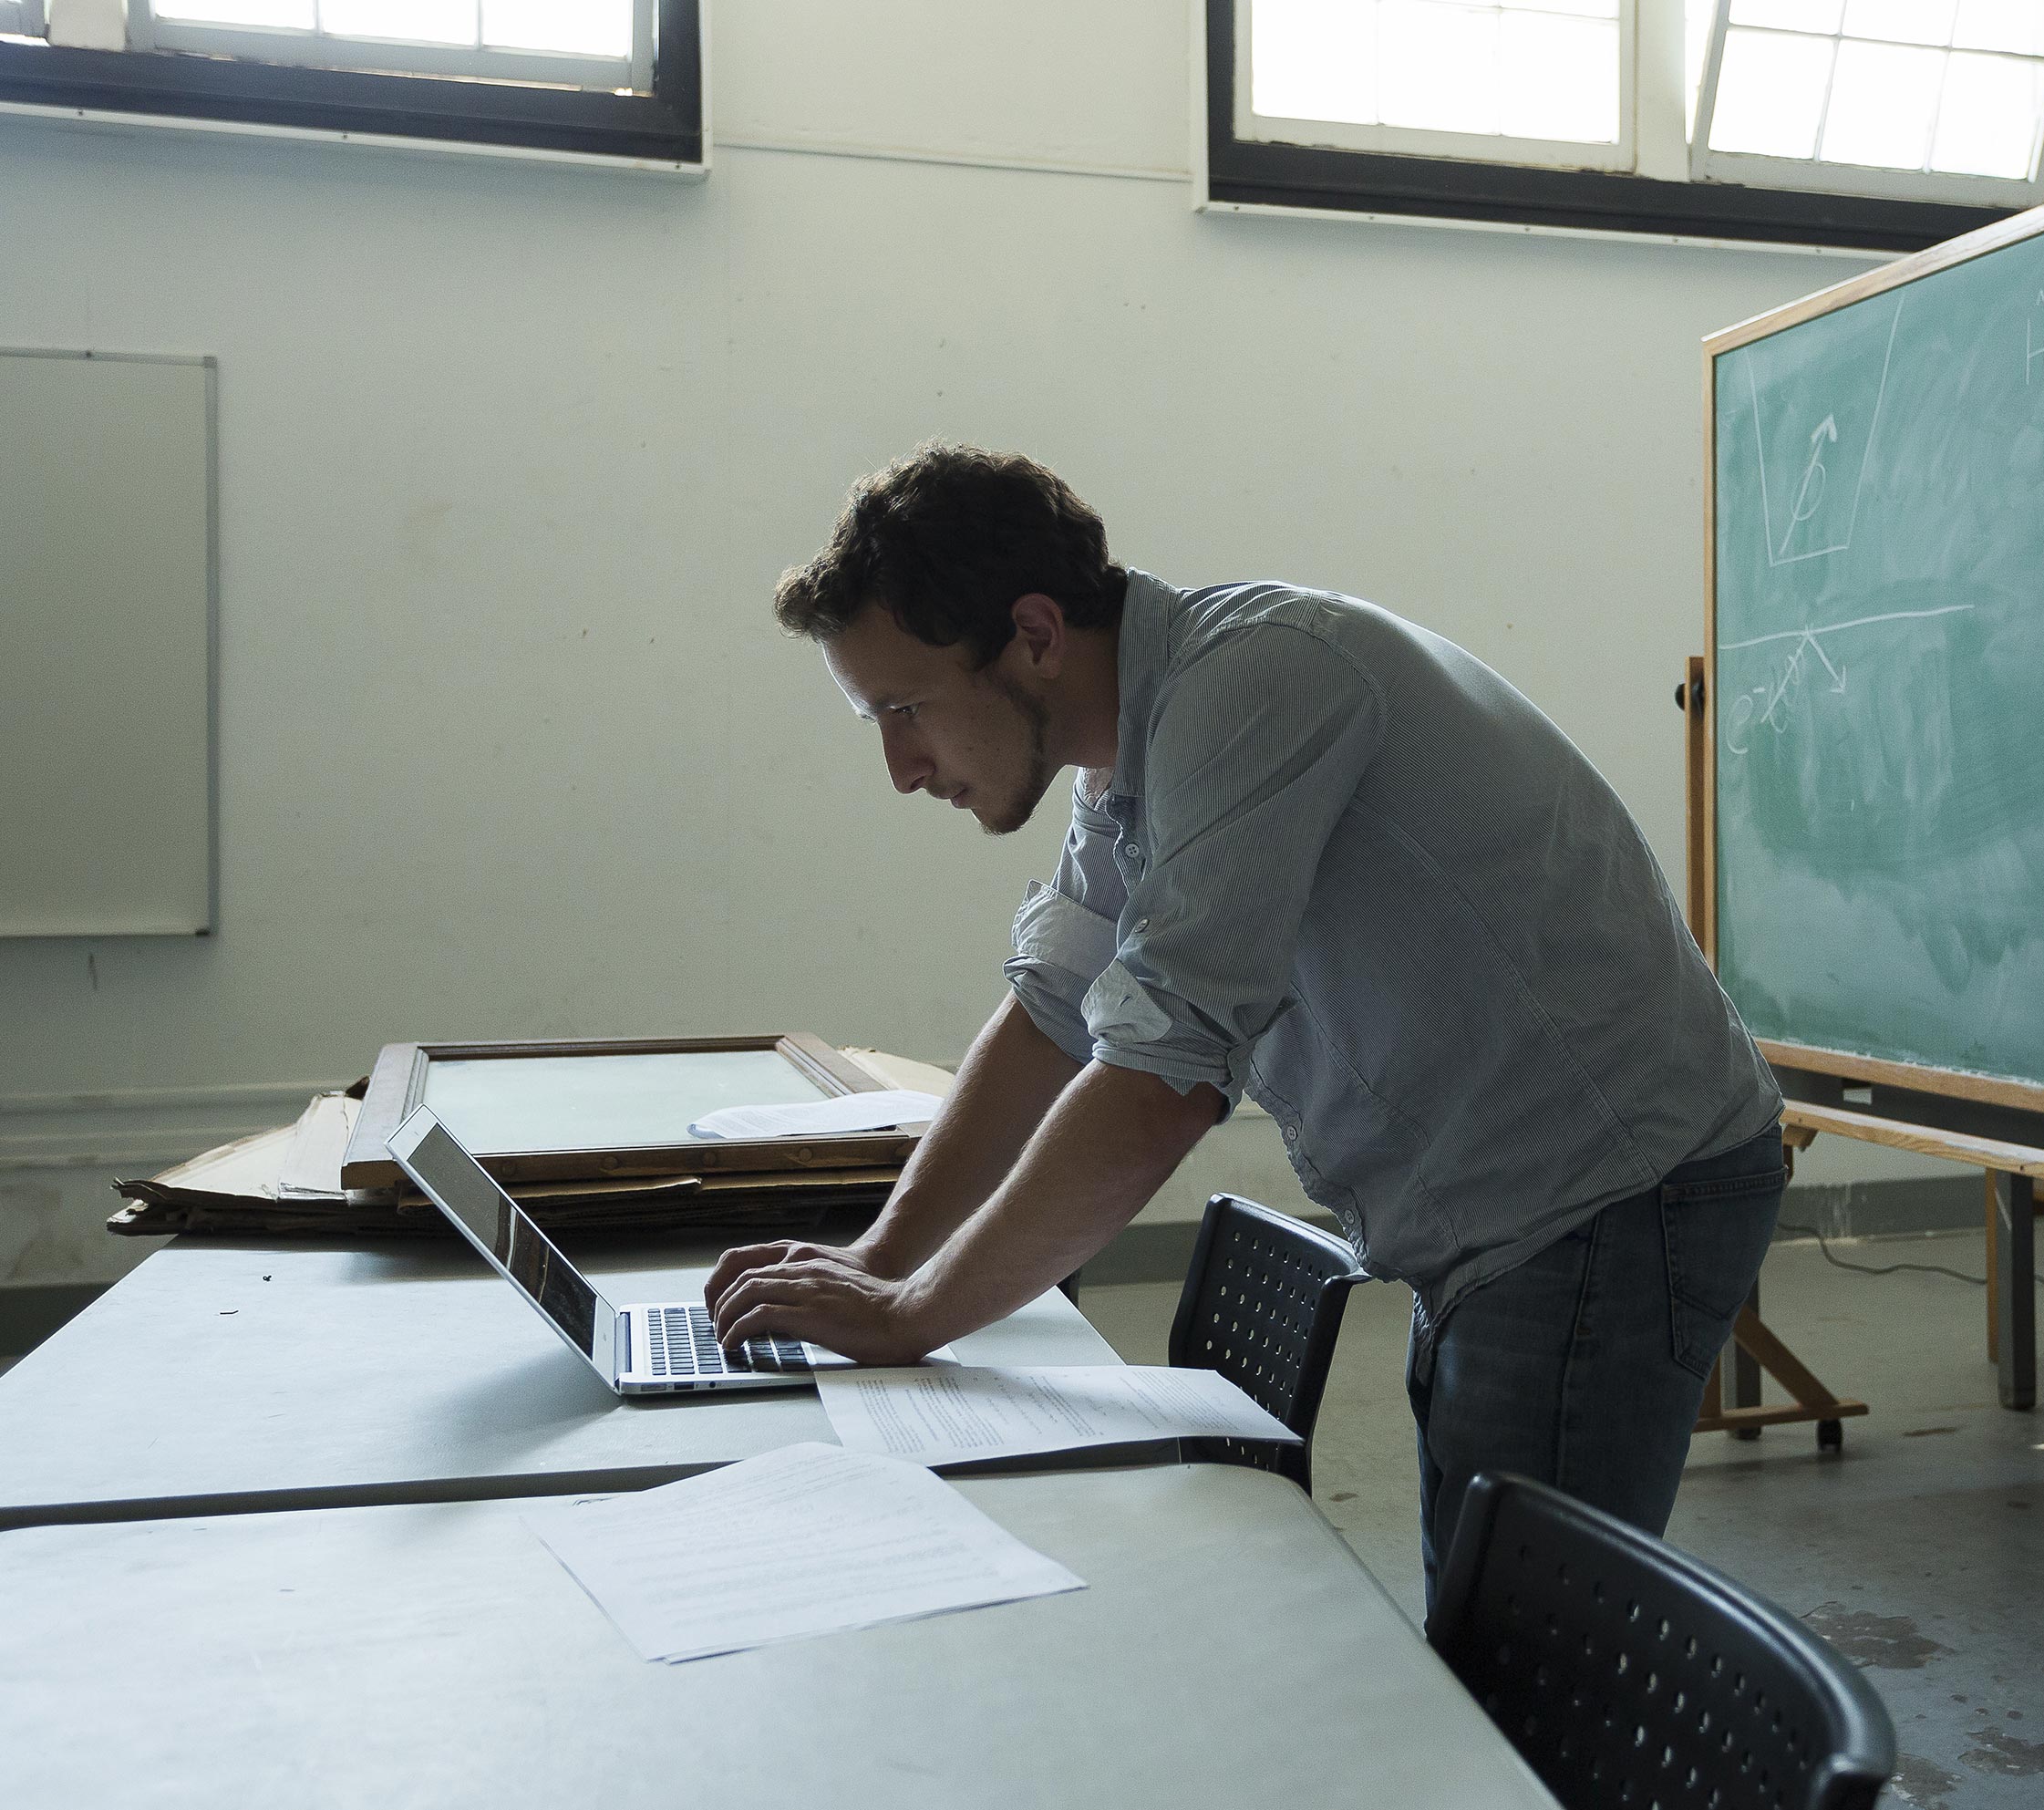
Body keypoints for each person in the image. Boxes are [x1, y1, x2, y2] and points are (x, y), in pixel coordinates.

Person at [707, 443, 1787, 1599]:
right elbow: (1049, 1014)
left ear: (1033, 633)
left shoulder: (1260, 683)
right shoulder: (1133, 753)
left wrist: (912, 1313)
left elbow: (1155, 1087)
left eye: (905, 707)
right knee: (1497, 1640)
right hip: (1512, 1210)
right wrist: (879, 1258)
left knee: (1526, 1683)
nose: (900, 767)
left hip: (1606, 1194)